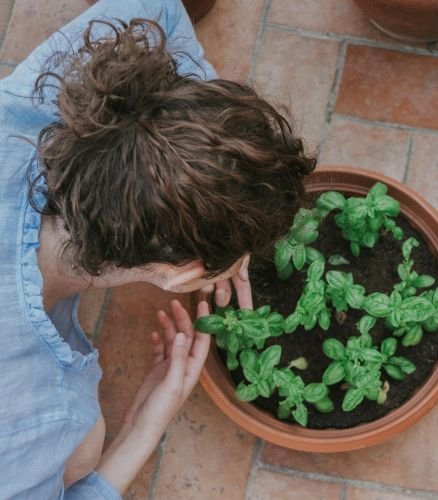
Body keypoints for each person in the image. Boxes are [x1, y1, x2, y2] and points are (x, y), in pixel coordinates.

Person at [0, 0, 315, 497]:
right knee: (83, 448)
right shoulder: (41, 416)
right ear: (180, 275)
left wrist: (200, 172)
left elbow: (159, 9)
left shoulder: (24, 108)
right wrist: (142, 428)